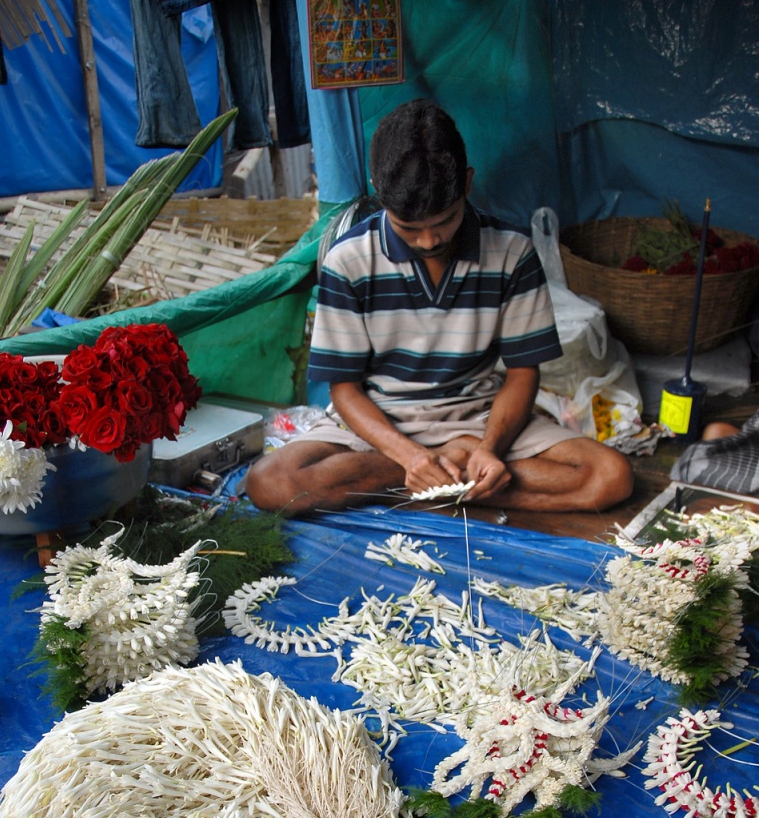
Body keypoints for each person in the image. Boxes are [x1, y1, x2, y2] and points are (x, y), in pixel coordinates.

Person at [246, 99, 634, 517]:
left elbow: (523, 374)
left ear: (467, 183)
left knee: (611, 476)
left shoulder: (512, 253)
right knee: (270, 483)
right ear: (380, 196)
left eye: (444, 221)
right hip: (383, 425)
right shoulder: (348, 260)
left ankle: (432, 480)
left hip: (479, 419)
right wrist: (411, 457)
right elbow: (344, 390)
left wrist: (489, 449)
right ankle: (447, 476)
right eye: (409, 228)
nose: (429, 241)